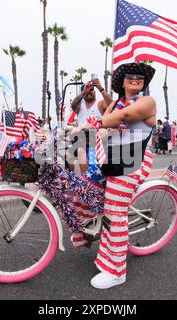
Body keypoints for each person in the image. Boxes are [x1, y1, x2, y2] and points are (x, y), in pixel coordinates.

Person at [76, 62, 156, 290]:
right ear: (121, 81)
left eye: (140, 76)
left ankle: (116, 270)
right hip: (113, 158)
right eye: (130, 75)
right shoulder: (116, 103)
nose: (135, 78)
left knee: (115, 212)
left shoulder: (147, 101)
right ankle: (92, 238)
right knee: (84, 188)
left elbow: (124, 116)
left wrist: (93, 124)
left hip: (133, 161)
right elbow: (107, 118)